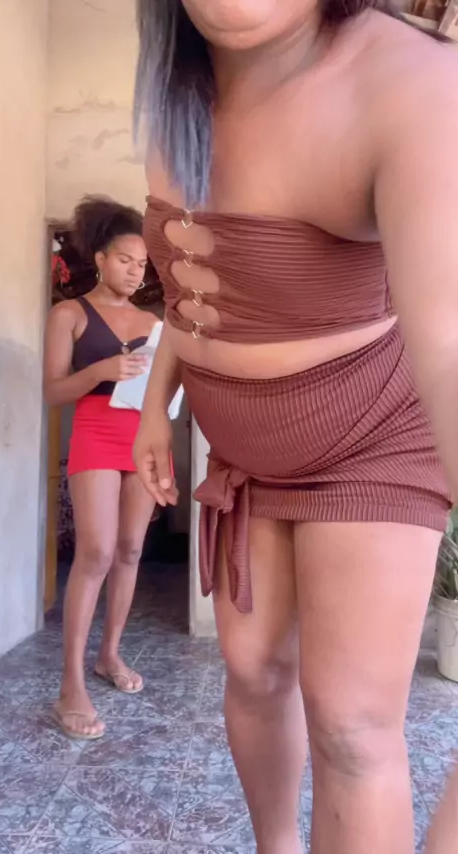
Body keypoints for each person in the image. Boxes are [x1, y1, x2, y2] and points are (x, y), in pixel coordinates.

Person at [132, 2, 458, 853]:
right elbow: (189, 284)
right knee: (252, 674)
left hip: (372, 437)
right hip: (240, 451)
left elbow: (450, 343)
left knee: (350, 724)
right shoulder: (173, 84)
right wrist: (158, 406)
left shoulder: (415, 84)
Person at [44, 196, 157, 740]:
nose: (136, 272)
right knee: (96, 551)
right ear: (101, 259)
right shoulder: (68, 314)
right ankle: (70, 684)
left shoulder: (152, 322)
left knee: (131, 549)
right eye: (126, 260)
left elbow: (159, 390)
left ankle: (109, 655)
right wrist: (102, 370)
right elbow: (52, 391)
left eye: (143, 264)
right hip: (95, 429)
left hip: (143, 434)